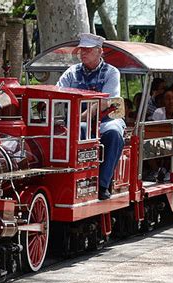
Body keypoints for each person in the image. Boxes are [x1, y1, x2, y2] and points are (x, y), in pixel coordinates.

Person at [57, 33, 125, 200]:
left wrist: (81, 117)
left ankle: (102, 185)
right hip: (76, 121)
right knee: (66, 132)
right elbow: (58, 92)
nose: (83, 53)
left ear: (99, 51)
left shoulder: (111, 72)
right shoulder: (71, 72)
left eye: (87, 50)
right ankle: (72, 179)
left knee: (114, 132)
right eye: (81, 50)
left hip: (105, 120)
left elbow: (106, 101)